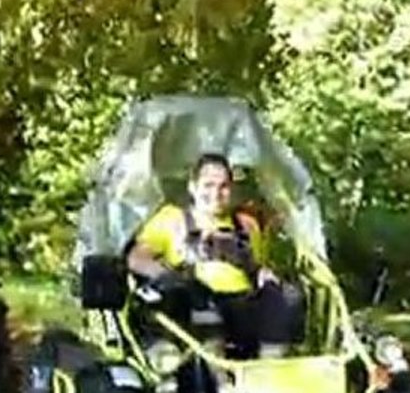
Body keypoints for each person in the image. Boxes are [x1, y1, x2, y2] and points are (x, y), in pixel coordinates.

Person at [126, 152, 303, 359]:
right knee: (201, 305)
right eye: (208, 185)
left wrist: (264, 274)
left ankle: (270, 367)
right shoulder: (171, 219)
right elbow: (136, 259)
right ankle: (215, 371)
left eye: (223, 186)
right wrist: (167, 275)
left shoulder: (246, 225)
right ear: (193, 187)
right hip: (194, 304)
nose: (216, 193)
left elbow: (256, 266)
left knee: (285, 296)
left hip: (241, 306)